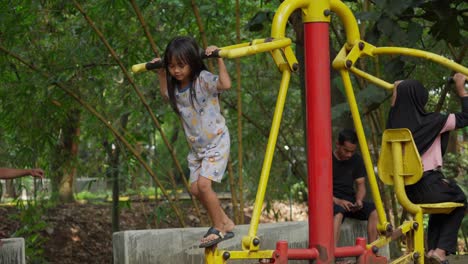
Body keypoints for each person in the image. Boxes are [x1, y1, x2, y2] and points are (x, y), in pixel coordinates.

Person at [152, 36, 234, 248]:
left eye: (181, 65)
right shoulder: (176, 88)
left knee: (204, 186)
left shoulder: (203, 80)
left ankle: (219, 228)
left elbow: (225, 84)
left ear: (192, 62)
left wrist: (219, 57)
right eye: (171, 66)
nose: (176, 71)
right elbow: (166, 95)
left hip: (216, 141)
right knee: (195, 189)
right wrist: (161, 73)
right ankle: (225, 221)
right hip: (198, 149)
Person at [387, 73, 467, 263]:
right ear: (420, 99)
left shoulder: (392, 127)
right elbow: (466, 117)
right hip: (428, 186)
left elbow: (394, 107)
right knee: (459, 199)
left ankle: (432, 252)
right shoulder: (434, 121)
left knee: (441, 205)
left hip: (405, 192)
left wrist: (397, 89)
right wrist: (461, 88)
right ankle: (439, 251)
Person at [332, 129, 378, 247]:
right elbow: (319, 191)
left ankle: (372, 252)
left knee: (374, 210)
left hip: (350, 202)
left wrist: (359, 200)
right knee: (338, 213)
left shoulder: (356, 159)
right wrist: (337, 201)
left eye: (352, 151)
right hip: (331, 201)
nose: (349, 155)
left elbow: (361, 186)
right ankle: (331, 255)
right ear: (338, 144)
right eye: (346, 150)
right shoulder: (327, 159)